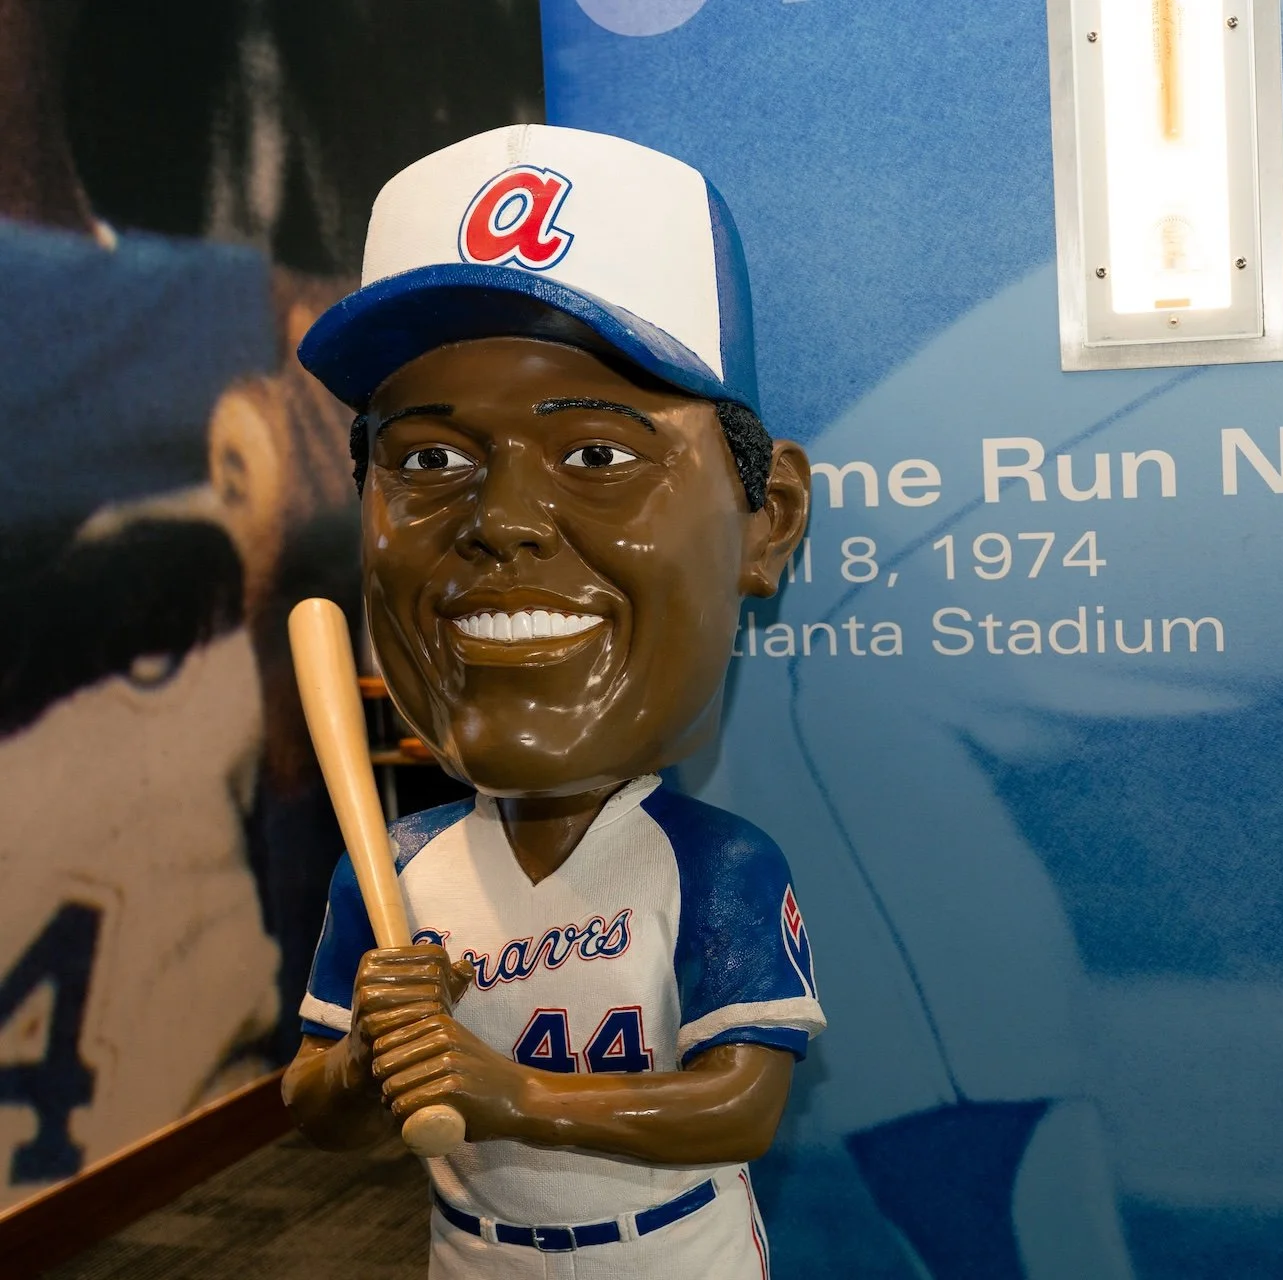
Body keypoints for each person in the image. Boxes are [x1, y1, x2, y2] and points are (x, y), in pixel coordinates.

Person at [280, 124, 823, 1278]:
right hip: (475, 1253)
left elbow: (742, 1105)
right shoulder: (391, 870)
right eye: (429, 460)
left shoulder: (714, 864)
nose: (501, 521)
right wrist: (368, 1058)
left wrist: (510, 1093)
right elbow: (318, 1112)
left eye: (596, 454)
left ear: (766, 520)